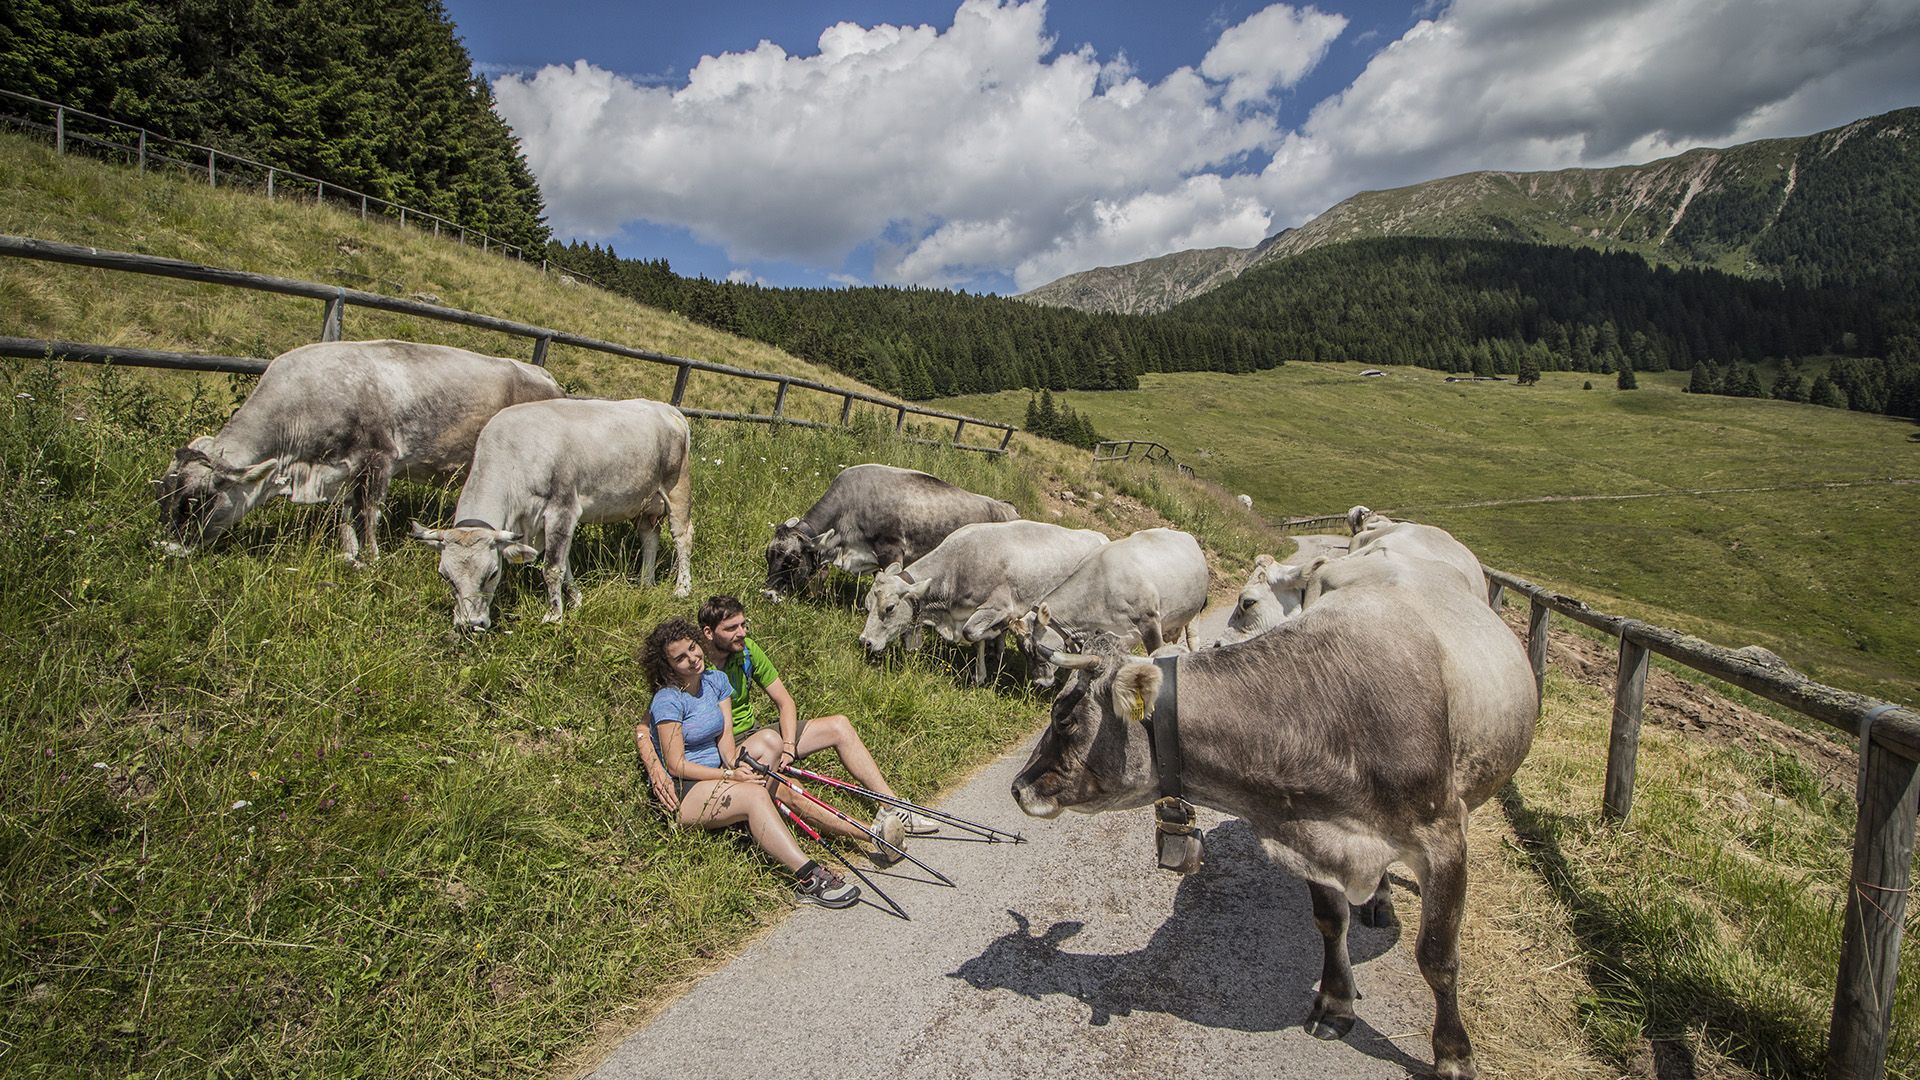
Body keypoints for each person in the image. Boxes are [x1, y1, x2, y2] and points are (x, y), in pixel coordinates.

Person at [633, 617, 859, 909]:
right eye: (680, 658)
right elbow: (676, 765)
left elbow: (726, 744)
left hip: (717, 772)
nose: (692, 658)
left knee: (769, 748)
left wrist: (737, 767)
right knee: (753, 795)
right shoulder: (668, 699)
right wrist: (730, 776)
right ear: (667, 666)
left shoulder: (715, 681)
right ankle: (809, 877)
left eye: (692, 648)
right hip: (686, 788)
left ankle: (759, 824)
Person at [695, 594, 937, 851]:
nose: (742, 633)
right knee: (791, 789)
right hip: (729, 747)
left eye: (744, 625)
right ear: (709, 633)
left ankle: (891, 806)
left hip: (759, 734)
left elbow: (785, 702)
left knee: (839, 726)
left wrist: (789, 746)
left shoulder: (746, 650)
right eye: (732, 628)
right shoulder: (695, 666)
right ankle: (871, 835)